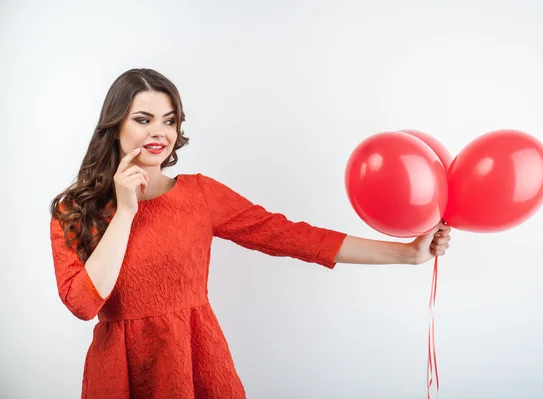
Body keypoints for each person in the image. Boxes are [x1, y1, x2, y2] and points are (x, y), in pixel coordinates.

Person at [49, 68, 451, 399]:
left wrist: (407, 254)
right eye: (143, 119)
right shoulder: (73, 210)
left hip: (198, 363)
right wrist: (124, 213)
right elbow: (84, 305)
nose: (160, 132)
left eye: (169, 120)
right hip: (121, 376)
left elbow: (291, 236)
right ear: (114, 124)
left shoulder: (200, 194)